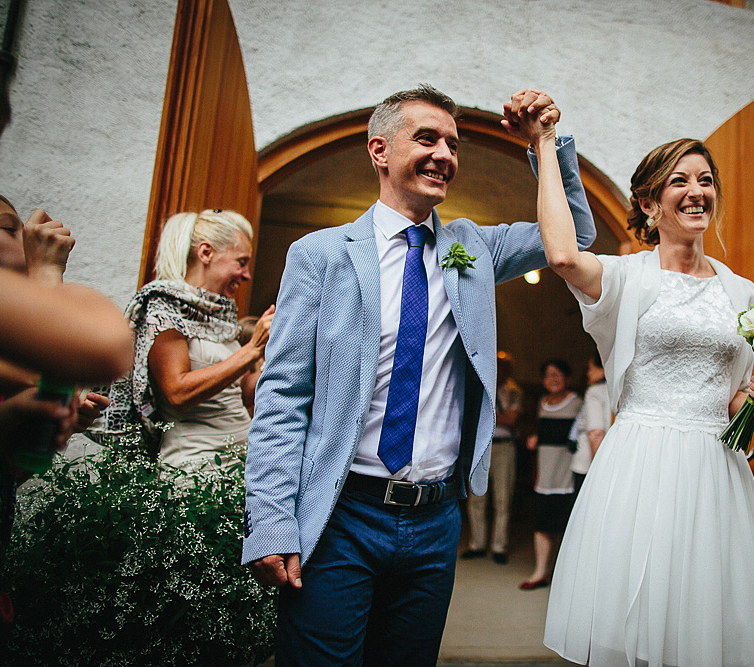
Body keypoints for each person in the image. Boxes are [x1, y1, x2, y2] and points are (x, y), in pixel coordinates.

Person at [242, 85, 596, 666]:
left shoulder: (473, 248)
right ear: (380, 150)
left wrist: (546, 144)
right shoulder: (320, 255)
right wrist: (273, 522)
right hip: (340, 516)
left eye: (453, 144)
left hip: (435, 523)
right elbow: (282, 397)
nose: (445, 154)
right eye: (426, 138)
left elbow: (574, 236)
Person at [514, 97, 754, 667]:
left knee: (707, 622)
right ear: (649, 202)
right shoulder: (626, 277)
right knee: (636, 619)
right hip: (640, 464)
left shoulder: (745, 294)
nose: (697, 191)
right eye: (679, 181)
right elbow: (563, 254)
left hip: (717, 471)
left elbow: (738, 394)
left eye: (706, 180)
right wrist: (544, 145)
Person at [101, 209, 273, 468]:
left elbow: (241, 394)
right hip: (195, 468)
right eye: (241, 261)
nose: (247, 274)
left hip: (239, 462)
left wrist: (271, 351)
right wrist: (251, 349)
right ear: (206, 253)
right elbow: (177, 394)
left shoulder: (219, 314)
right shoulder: (164, 306)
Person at [520, 359, 581, 590]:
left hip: (566, 478)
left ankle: (564, 574)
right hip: (544, 476)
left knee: (564, 527)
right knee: (542, 524)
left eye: (557, 374)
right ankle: (540, 572)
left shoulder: (578, 403)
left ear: (568, 378)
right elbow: (541, 432)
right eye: (547, 375)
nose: (552, 379)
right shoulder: (542, 403)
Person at [461, 350, 522, 564]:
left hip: (504, 447)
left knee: (502, 499)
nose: (500, 369)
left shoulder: (514, 391)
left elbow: (510, 420)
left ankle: (499, 546)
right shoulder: (479, 386)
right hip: (482, 446)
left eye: (504, 366)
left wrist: (493, 414)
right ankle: (476, 544)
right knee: (476, 499)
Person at [569, 351, 610, 496]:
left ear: (603, 369)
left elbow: (596, 433)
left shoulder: (595, 392)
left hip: (589, 463)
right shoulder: (617, 391)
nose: (588, 373)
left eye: (591, 368)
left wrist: (597, 472)